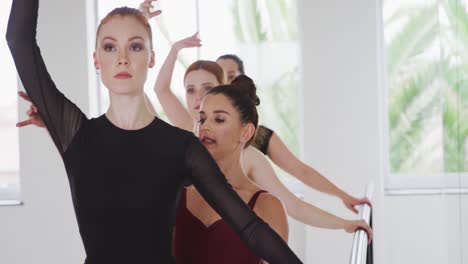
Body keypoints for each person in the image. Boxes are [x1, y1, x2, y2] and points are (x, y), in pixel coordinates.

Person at [5, 1, 302, 263]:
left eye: (135, 46)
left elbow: (248, 227)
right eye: (110, 47)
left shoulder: (181, 147)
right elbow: (18, 39)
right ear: (96, 59)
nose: (122, 58)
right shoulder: (76, 135)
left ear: (151, 58)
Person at [217, 53, 372, 214]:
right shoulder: (200, 131)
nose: (226, 82)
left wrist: (344, 196)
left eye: (231, 76)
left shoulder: (260, 135)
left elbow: (301, 171)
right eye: (220, 76)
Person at [173, 75, 288, 264]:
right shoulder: (177, 196)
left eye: (219, 119)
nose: (205, 127)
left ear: (246, 132)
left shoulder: (268, 206)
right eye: (202, 120)